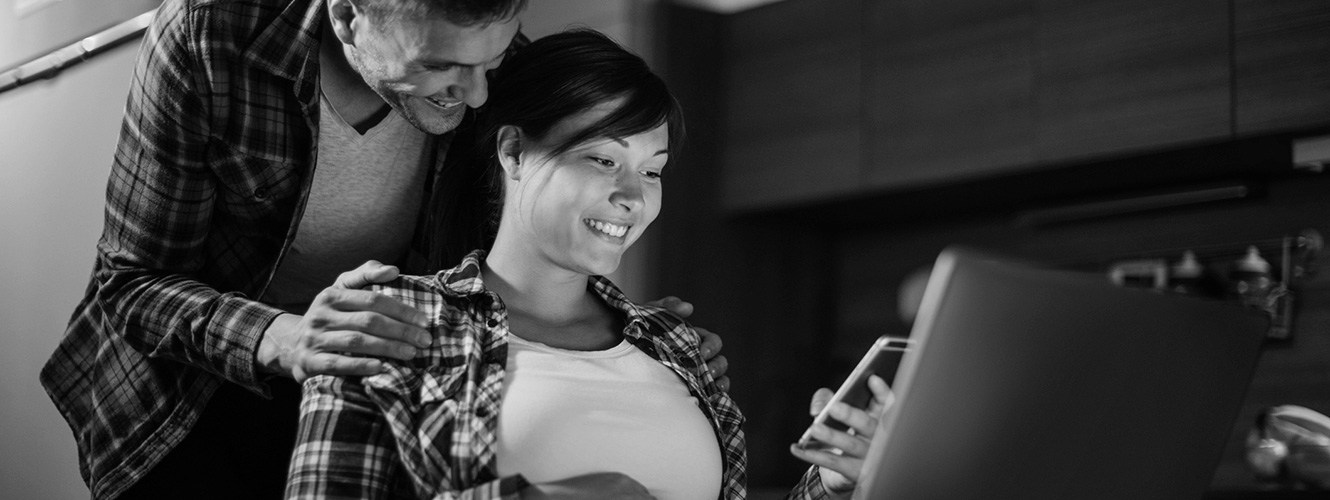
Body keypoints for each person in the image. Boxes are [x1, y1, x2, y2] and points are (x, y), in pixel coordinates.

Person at [39, 1, 728, 499]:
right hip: (186, 399)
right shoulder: (211, 36)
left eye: (492, 60)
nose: (478, 93)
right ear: (347, 20)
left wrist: (623, 345)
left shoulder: (488, 66)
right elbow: (131, 283)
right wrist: (290, 338)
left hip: (383, 359)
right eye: (442, 67)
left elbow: (519, 253)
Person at [285, 29, 893, 500]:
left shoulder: (677, 348)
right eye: (602, 160)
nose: (633, 195)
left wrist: (833, 485)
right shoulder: (386, 322)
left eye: (652, 170)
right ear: (514, 150)